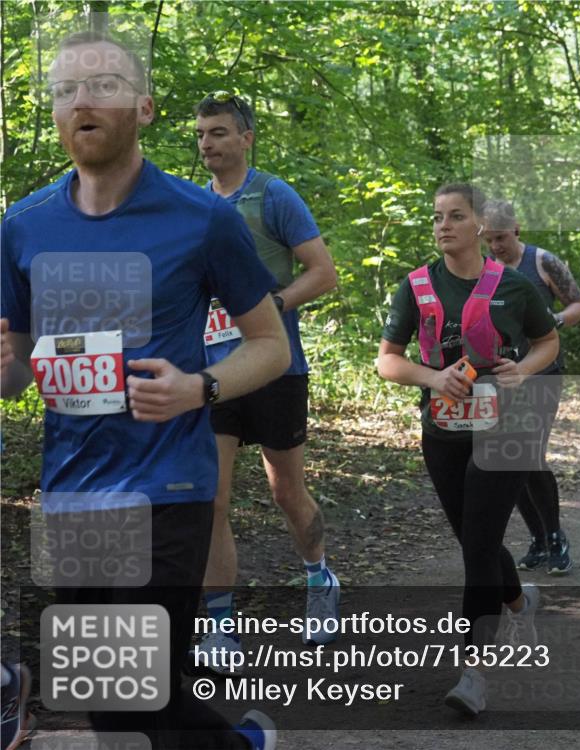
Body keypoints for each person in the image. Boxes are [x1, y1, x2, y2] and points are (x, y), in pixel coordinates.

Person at [1, 31, 286, 750]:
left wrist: (200, 386)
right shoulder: (22, 227)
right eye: (65, 90)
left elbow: (270, 346)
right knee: (111, 699)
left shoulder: (202, 218)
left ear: (145, 107)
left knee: (136, 695)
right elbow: (13, 373)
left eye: (101, 85)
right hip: (71, 490)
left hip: (168, 484)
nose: (80, 101)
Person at [377, 183, 559, 716]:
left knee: (478, 547)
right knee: (474, 541)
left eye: (455, 216)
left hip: (506, 430)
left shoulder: (515, 286)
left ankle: (474, 674)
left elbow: (548, 341)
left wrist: (522, 369)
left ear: (480, 224)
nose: (443, 226)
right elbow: (387, 360)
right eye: (437, 217)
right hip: (443, 433)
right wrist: (433, 378)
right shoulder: (415, 287)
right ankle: (520, 604)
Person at [189, 92, 340, 670]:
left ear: (246, 138)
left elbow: (322, 273)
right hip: (214, 372)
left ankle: (319, 577)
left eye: (220, 133)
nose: (208, 144)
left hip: (276, 366)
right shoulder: (193, 204)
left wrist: (268, 306)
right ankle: (220, 626)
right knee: (213, 500)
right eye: (202, 134)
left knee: (285, 491)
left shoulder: (273, 195)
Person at [481, 199, 580, 575]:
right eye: (488, 239)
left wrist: (552, 319)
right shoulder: (482, 270)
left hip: (542, 371)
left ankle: (555, 536)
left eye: (501, 237)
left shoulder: (542, 262)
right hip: (501, 376)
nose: (495, 246)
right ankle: (539, 539)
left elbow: (579, 305)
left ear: (517, 229)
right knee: (513, 461)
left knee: (528, 455)